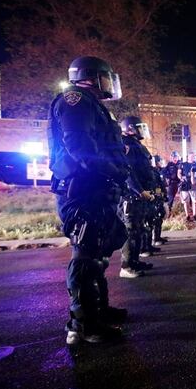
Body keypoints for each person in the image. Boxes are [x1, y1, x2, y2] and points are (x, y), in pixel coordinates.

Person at [47, 56, 130, 344]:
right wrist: (113, 171)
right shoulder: (75, 100)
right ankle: (84, 325)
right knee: (85, 255)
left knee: (98, 253)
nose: (109, 84)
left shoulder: (92, 104)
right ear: (92, 76)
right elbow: (80, 146)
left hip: (96, 188)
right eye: (105, 78)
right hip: (82, 190)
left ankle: (98, 310)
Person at [119, 116, 157, 275]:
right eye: (139, 127)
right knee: (131, 230)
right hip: (132, 195)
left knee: (139, 229)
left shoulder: (136, 144)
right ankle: (126, 266)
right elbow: (127, 171)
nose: (142, 130)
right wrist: (139, 190)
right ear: (130, 128)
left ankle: (134, 261)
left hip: (140, 194)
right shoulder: (126, 144)